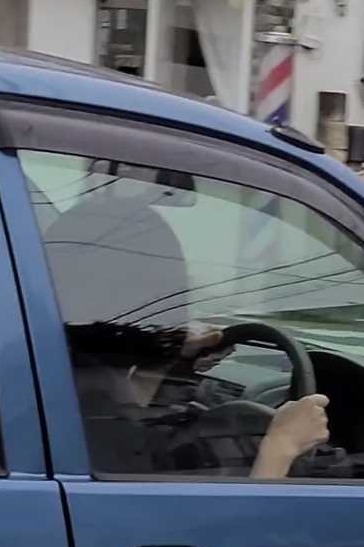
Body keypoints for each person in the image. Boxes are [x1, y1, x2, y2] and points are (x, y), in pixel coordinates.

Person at [42, 171, 330, 479]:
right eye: (180, 284)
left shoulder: (57, 368)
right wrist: (281, 447)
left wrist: (170, 357)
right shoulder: (107, 423)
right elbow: (215, 515)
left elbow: (129, 394)